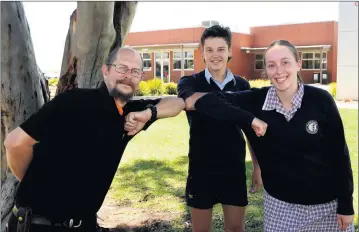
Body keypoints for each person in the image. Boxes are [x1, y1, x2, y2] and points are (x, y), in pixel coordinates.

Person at [4, 47, 185, 232]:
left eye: (135, 71)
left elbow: (179, 103)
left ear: (140, 77)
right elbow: (15, 143)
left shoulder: (131, 115)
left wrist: (149, 113)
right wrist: (35, 184)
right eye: (122, 68)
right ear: (105, 71)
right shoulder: (70, 103)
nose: (128, 75)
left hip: (85, 225)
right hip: (36, 224)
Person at [186, 40, 355, 232]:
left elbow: (340, 156)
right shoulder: (256, 101)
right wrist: (250, 119)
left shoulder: (320, 100)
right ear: (266, 70)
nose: (279, 71)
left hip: (328, 208)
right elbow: (208, 101)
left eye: (285, 62)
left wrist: (346, 205)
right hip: (281, 208)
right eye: (271, 65)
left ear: (298, 64)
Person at [177, 24, 266, 232]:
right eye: (209, 49)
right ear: (202, 53)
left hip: (233, 168)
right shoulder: (189, 82)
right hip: (201, 169)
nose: (215, 55)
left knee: (236, 229)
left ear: (229, 52)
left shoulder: (242, 86)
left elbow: (251, 130)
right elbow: (189, 101)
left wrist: (257, 167)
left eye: (220, 49)